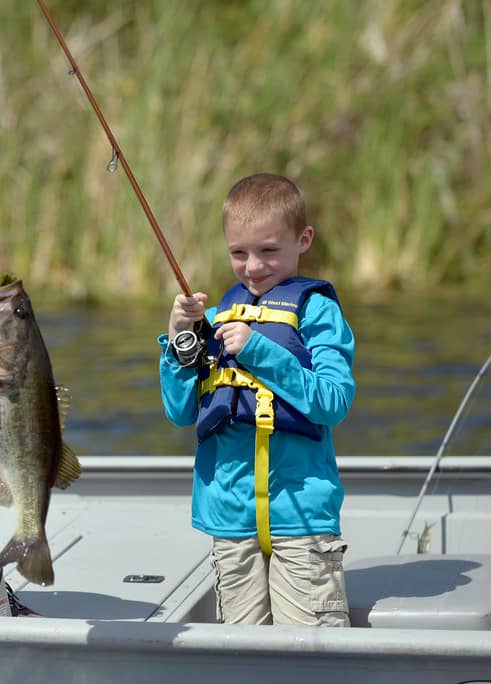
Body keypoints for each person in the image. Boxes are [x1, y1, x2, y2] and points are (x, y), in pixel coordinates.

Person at [158, 173, 355, 626]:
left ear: (303, 239)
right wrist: (178, 337)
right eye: (238, 253)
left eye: (269, 250)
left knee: (310, 651)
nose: (253, 266)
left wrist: (258, 350)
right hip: (230, 519)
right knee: (242, 651)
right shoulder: (215, 318)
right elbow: (180, 411)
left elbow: (333, 401)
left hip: (301, 518)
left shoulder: (318, 310)